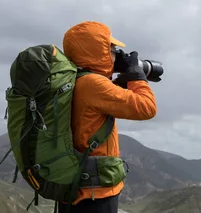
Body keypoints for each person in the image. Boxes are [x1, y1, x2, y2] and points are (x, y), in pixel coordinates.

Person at [59, 21, 158, 213]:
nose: (115, 54)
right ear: (97, 51)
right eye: (111, 48)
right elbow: (147, 108)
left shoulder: (75, 80)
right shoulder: (92, 84)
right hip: (95, 193)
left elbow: (96, 104)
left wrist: (120, 80)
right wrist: (137, 75)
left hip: (74, 186)